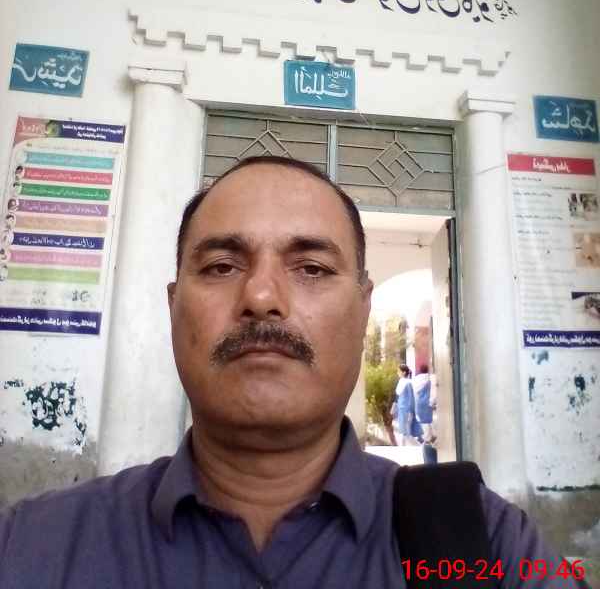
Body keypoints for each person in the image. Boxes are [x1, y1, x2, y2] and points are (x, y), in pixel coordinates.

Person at [0, 156, 589, 588]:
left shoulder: (490, 545)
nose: (261, 297)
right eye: (222, 265)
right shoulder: (32, 546)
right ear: (173, 307)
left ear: (363, 309)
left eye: (310, 268)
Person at [394, 364, 421, 445]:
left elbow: (411, 398)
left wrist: (410, 410)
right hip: (403, 409)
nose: (397, 373)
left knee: (405, 431)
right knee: (405, 431)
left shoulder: (407, 382)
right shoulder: (404, 382)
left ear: (404, 372)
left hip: (406, 409)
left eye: (399, 371)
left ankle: (408, 447)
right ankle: (406, 447)